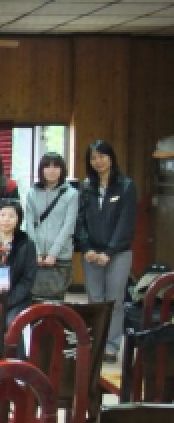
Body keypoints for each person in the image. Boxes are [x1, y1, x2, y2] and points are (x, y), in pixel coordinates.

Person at [75, 140, 136, 363]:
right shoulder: (86, 187)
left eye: (102, 156)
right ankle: (96, 342)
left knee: (114, 300)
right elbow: (80, 220)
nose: (98, 161)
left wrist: (109, 251)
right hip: (91, 253)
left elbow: (125, 223)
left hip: (118, 253)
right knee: (95, 300)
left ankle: (111, 345)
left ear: (111, 158)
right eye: (93, 158)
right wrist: (86, 248)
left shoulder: (125, 185)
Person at [0, 199, 37, 355]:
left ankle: (18, 363)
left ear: (18, 219)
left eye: (11, 216)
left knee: (12, 321)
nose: (6, 219)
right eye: (2, 215)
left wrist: (6, 302)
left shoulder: (27, 244)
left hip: (17, 298)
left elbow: (27, 280)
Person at [24, 152, 78, 301]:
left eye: (56, 167)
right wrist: (36, 252)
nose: (51, 170)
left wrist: (53, 253)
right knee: (33, 300)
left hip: (60, 255)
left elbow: (69, 226)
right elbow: (29, 224)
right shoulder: (32, 193)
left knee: (56, 301)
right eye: (47, 166)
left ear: (62, 170)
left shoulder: (71, 194)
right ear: (41, 170)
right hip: (37, 256)